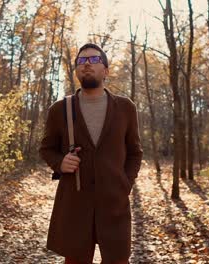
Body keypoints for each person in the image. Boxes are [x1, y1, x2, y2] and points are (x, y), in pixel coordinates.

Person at [39, 43, 143, 264]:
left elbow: (135, 152)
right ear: (76, 70)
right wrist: (60, 162)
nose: (86, 64)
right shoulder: (60, 109)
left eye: (94, 60)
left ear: (105, 70)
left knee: (117, 260)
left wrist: (125, 183)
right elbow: (46, 148)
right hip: (75, 202)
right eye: (81, 60)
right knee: (76, 260)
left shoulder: (125, 108)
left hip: (114, 201)